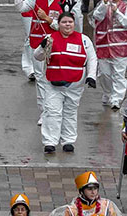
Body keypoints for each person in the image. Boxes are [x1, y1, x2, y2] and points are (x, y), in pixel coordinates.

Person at [32, 9, 97, 154]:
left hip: (75, 84)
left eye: (70, 22)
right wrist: (42, 46)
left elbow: (92, 58)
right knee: (52, 112)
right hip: (53, 84)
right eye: (64, 22)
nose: (67, 25)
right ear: (58, 24)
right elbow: (38, 56)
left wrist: (91, 76)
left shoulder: (84, 40)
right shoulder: (50, 38)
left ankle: (68, 140)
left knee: (70, 112)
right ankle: (50, 141)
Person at [90, 0, 127, 108]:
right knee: (103, 73)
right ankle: (108, 92)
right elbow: (96, 17)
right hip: (104, 44)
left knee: (118, 74)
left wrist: (117, 12)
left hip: (120, 46)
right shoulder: (103, 4)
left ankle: (117, 98)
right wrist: (104, 5)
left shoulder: (126, 7)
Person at [52, 172, 120, 216]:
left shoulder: (107, 205)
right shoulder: (72, 210)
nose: (93, 192)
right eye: (89, 189)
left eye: (95, 188)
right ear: (81, 191)